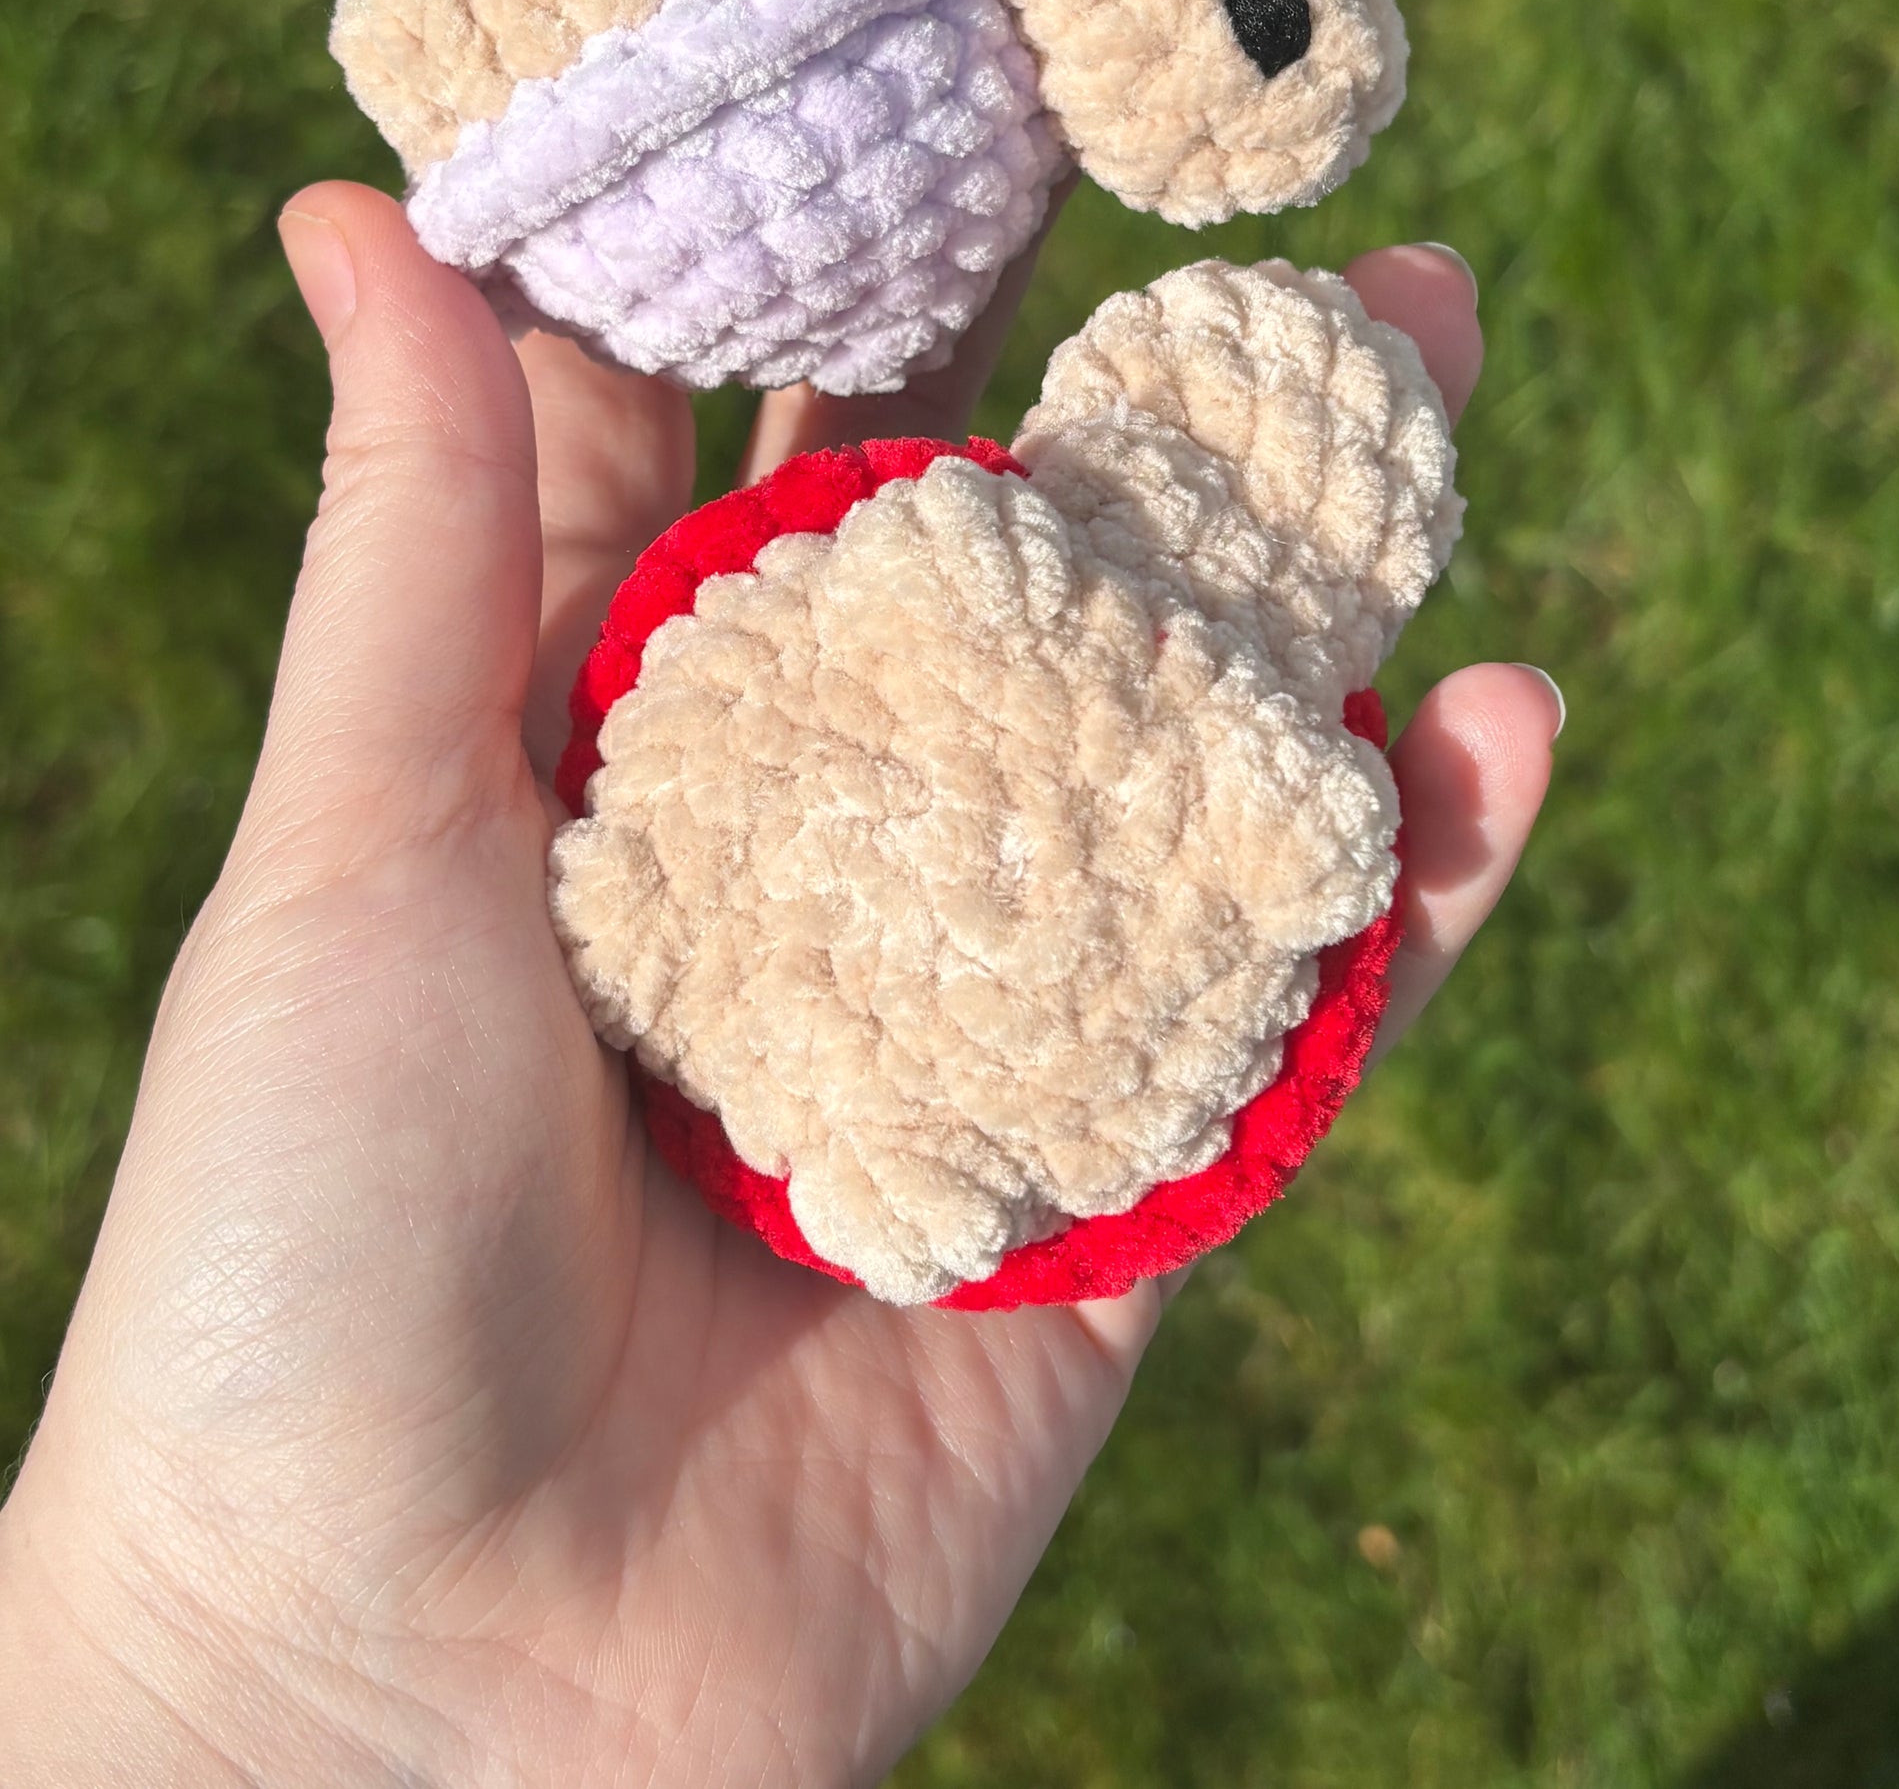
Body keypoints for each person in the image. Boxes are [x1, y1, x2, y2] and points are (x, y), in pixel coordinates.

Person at [0, 184, 1558, 1785]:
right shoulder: (1208, 717)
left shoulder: (1097, 637)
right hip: (794, 997)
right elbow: (1302, 849)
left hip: (890, 1056)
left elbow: (1278, 841)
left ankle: (862, 1124)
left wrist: (223, 1683)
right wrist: (228, 1672)